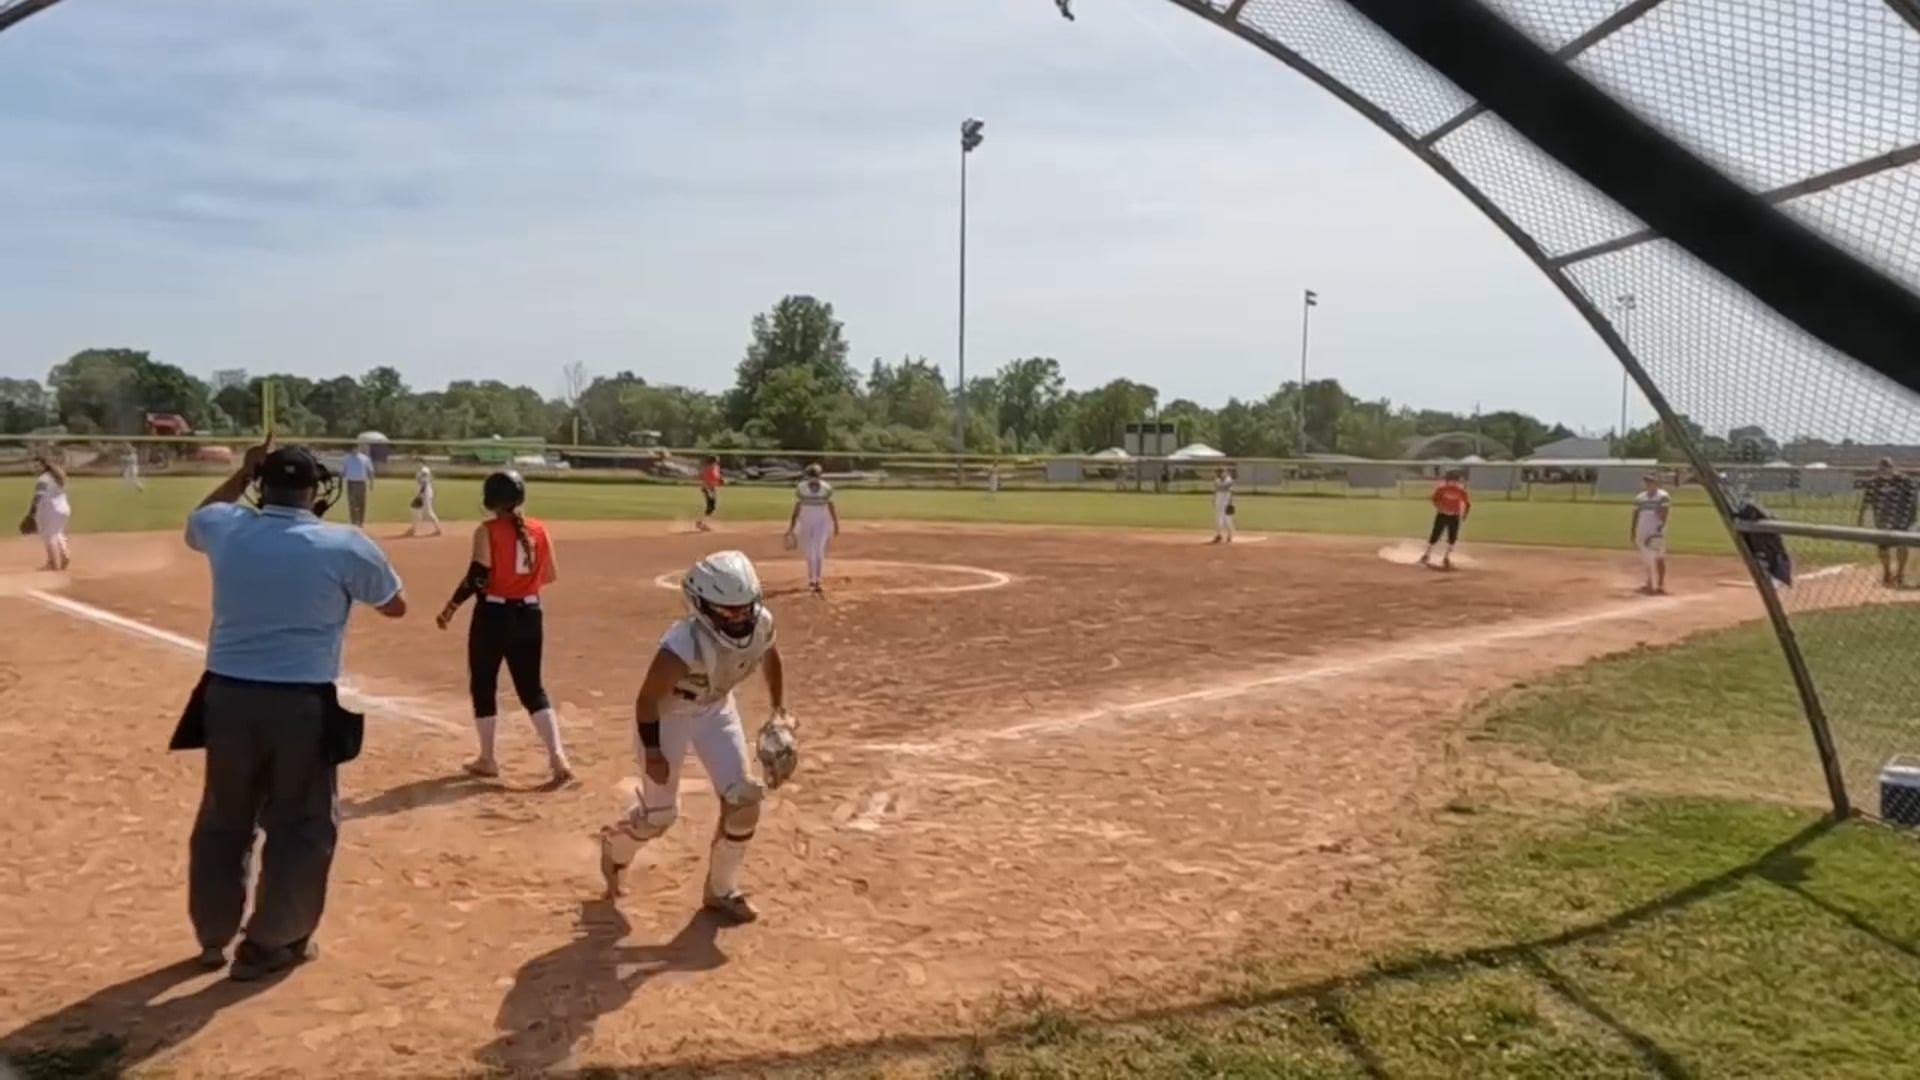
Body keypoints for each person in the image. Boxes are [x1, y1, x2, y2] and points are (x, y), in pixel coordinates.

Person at [179, 439, 407, 981]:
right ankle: (270, 943)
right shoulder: (343, 544)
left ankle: (213, 935)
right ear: (313, 491)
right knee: (302, 824)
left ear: (262, 485)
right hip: (300, 702)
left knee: (224, 817)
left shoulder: (229, 527)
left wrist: (242, 473)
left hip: (226, 697)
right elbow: (394, 605)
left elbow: (197, 520)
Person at [599, 550, 798, 925]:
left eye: (745, 608)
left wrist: (778, 710)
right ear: (703, 606)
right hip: (668, 715)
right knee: (659, 817)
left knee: (743, 800)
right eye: (729, 611)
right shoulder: (682, 645)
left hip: (715, 709)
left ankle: (721, 890)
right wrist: (653, 753)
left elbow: (769, 656)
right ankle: (614, 848)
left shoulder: (761, 624)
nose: (740, 617)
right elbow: (647, 701)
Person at [436, 470, 573, 785]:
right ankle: (557, 757)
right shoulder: (539, 530)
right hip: (530, 613)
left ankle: (487, 758)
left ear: (490, 500)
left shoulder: (487, 531)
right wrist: (521, 584)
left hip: (493, 615)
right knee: (532, 689)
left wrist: (452, 606)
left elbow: (478, 577)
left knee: (484, 683)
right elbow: (549, 575)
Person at [1856, 457, 1916, 588]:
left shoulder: (1903, 480)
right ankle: (1887, 572)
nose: (1885, 470)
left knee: (1902, 546)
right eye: (1882, 467)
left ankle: (1900, 574)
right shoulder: (1874, 482)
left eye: (1888, 467)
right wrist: (1860, 516)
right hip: (1882, 520)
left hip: (1901, 519)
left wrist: (1912, 516)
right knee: (1883, 547)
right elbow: (1866, 501)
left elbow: (1913, 499)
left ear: (1893, 467)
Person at [785, 464, 839, 594]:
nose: (813, 478)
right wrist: (792, 524)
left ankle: (817, 580)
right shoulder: (801, 488)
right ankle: (812, 580)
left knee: (818, 551)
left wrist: (835, 522)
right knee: (810, 552)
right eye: (812, 476)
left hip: (821, 523)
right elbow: (797, 507)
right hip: (806, 522)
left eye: (815, 476)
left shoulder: (826, 488)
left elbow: (831, 505)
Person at [21, 451, 72, 571]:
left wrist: (31, 513)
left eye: (37, 465)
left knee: (48, 535)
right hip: (64, 509)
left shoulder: (43, 479)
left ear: (44, 465)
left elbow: (38, 496)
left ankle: (52, 563)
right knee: (57, 532)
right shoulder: (57, 476)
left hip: (50, 509)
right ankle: (65, 554)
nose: (34, 468)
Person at [1420, 470, 1472, 570]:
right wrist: (1439, 507)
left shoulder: (1461, 491)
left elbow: (1467, 504)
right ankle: (1426, 555)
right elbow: (1434, 499)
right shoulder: (1441, 489)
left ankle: (1446, 557)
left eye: (1456, 481)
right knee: (1435, 535)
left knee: (1452, 538)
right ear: (1448, 481)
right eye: (1453, 480)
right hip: (1442, 515)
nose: (1455, 483)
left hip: (1454, 516)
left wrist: (1465, 514)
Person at [1631, 472, 1672, 595]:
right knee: (1646, 559)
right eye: (1647, 481)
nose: (1648, 484)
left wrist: (1659, 528)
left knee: (1659, 557)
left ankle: (1660, 584)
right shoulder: (1640, 498)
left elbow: (1665, 513)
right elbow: (1635, 515)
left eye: (1651, 481)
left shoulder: (1663, 496)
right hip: (1642, 530)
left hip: (1656, 531)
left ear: (1656, 483)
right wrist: (1633, 531)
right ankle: (1649, 582)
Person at [340, 444, 375, 528]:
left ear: (358, 449)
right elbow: (343, 471)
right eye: (353, 448)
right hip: (351, 483)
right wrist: (340, 478)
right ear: (351, 449)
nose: (355, 450)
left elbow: (370, 471)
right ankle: (353, 521)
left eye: (356, 448)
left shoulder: (365, 458)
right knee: (352, 503)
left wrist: (371, 483)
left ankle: (360, 521)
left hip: (361, 483)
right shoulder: (346, 459)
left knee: (361, 503)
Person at [406, 462, 442, 538]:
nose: (417, 464)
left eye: (419, 462)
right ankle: (413, 529)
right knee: (414, 509)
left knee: (428, 512)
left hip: (425, 494)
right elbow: (429, 479)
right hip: (422, 494)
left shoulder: (424, 470)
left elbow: (424, 483)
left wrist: (420, 494)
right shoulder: (420, 471)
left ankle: (438, 529)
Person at [696, 456, 722, 532]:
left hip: (711, 488)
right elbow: (707, 477)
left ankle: (701, 522)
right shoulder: (708, 468)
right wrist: (718, 480)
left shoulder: (715, 467)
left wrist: (719, 480)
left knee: (711, 507)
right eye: (716, 460)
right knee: (711, 506)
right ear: (713, 461)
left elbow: (716, 476)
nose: (717, 462)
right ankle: (702, 523)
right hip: (707, 488)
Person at [1211, 467, 1236, 545]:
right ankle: (1219, 535)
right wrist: (1213, 500)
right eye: (1218, 472)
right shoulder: (1217, 480)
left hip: (1226, 502)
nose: (1218, 474)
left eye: (1220, 472)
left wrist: (1231, 502)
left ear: (1224, 473)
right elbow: (1216, 491)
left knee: (1227, 519)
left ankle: (1229, 535)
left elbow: (1228, 489)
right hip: (1218, 502)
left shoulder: (1229, 480)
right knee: (1218, 519)